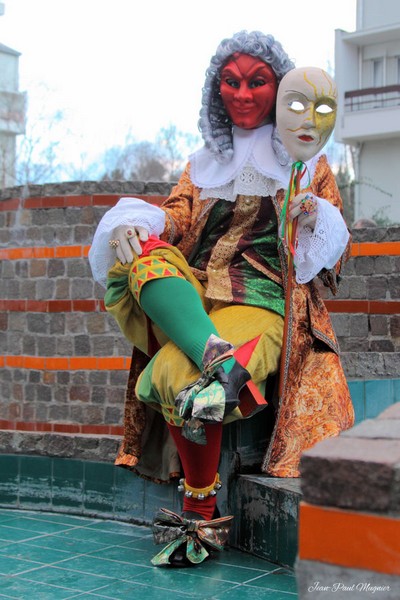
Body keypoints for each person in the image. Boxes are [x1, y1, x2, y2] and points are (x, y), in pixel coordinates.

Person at [89, 31, 354, 567]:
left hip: (262, 301)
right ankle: (218, 359)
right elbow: (179, 215)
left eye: (257, 82)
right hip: (191, 303)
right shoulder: (201, 164)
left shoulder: (310, 165)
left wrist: (310, 216)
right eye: (230, 82)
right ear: (217, 90)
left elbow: (325, 262)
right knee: (147, 255)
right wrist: (146, 224)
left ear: (278, 88)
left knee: (171, 377)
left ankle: (199, 513)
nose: (242, 94)